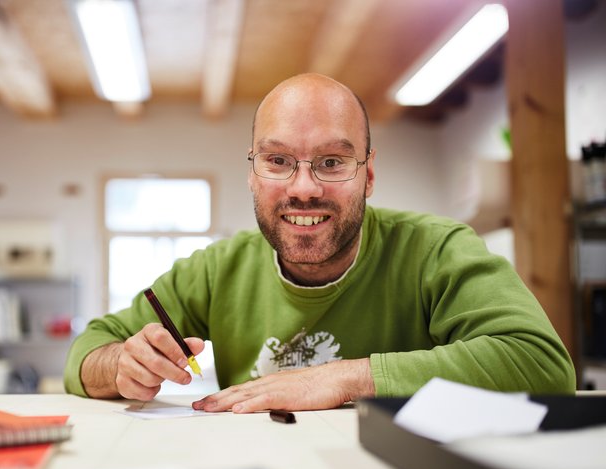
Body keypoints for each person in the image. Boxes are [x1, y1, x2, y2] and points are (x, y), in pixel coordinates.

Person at [64, 73, 576, 413]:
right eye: (278, 161)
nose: (304, 188)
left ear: (368, 175)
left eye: (332, 162)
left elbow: (543, 366)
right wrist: (122, 364)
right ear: (253, 174)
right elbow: (84, 354)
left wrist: (348, 378)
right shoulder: (216, 270)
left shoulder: (436, 252)